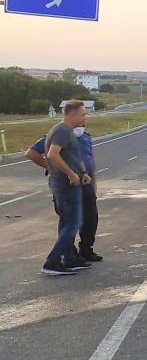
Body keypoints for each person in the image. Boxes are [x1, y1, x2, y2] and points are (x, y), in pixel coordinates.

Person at [27, 115, 102, 263]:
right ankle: (69, 255)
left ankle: (86, 250)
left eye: (84, 119)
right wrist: (53, 168)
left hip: (85, 182)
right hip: (66, 184)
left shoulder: (86, 137)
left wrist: (93, 183)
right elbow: (31, 153)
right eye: (80, 118)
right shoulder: (56, 136)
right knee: (70, 220)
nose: (83, 122)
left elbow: (89, 160)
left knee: (90, 218)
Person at [39, 100, 92, 275]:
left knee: (68, 223)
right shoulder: (61, 130)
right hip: (65, 184)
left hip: (73, 183)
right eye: (82, 114)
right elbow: (52, 154)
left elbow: (73, 156)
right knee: (73, 222)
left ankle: (70, 259)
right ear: (72, 114)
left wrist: (83, 172)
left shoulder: (68, 132)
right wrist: (70, 173)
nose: (85, 117)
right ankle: (52, 262)